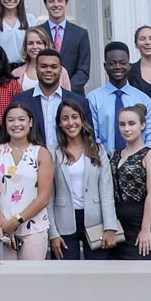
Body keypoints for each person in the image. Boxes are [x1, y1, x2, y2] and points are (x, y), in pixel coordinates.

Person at [0, 102, 54, 261]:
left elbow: (44, 197)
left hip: (33, 227)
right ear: (5, 123)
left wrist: (16, 221)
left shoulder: (41, 153)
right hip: (0, 228)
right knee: (3, 281)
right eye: (11, 120)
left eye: (21, 119)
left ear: (30, 122)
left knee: (31, 280)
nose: (16, 124)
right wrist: (4, 224)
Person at [49, 98, 118, 260]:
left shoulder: (97, 150)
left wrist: (110, 227)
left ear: (82, 119)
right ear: (59, 123)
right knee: (66, 277)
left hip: (96, 221)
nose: (70, 122)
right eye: (65, 118)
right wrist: (52, 233)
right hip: (64, 221)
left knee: (97, 276)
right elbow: (48, 196)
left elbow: (106, 191)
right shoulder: (53, 153)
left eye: (74, 117)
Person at [87, 40, 151, 155]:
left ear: (129, 66)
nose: (118, 67)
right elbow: (91, 136)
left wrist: (143, 160)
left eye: (122, 63)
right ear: (105, 66)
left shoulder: (143, 99)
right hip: (103, 162)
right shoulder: (93, 99)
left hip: (139, 163)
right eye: (112, 63)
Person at [109, 104, 151, 261]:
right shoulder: (115, 154)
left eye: (131, 124)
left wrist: (145, 229)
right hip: (119, 224)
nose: (126, 129)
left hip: (142, 220)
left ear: (143, 125)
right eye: (122, 124)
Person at [22, 47, 87, 148]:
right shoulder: (21, 101)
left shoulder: (80, 102)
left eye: (54, 67)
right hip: (33, 161)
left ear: (60, 70)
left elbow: (87, 137)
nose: (49, 70)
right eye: (43, 66)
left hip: (69, 160)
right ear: (36, 69)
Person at [37, 0, 96, 92]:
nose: (56, 4)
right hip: (44, 92)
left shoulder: (80, 34)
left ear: (66, 3)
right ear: (45, 5)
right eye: (51, 1)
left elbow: (83, 70)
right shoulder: (38, 32)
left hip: (73, 95)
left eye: (60, 0)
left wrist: (64, 89)